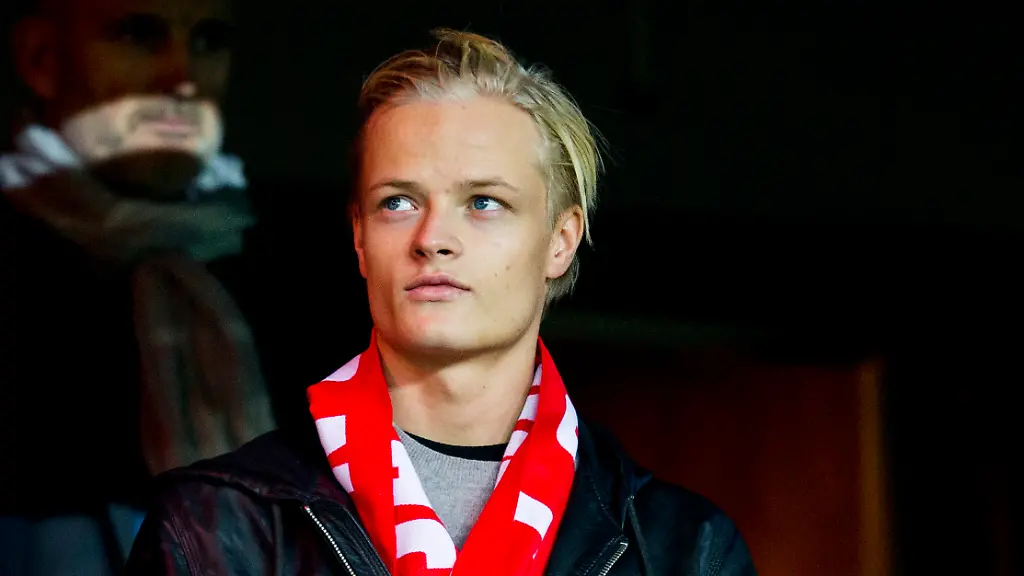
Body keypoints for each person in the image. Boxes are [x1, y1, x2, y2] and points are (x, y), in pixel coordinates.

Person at [125, 28, 757, 575]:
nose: (432, 240)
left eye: (484, 202)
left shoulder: (683, 550)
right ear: (360, 240)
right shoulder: (214, 529)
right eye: (398, 202)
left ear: (560, 242)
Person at [0, 0, 275, 573]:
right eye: (136, 34)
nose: (182, 78)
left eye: (209, 39)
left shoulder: (308, 268)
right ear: (41, 58)